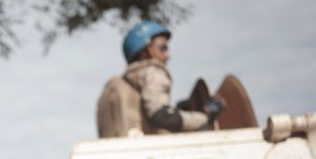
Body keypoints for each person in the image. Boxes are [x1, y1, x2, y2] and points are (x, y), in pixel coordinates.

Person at [96, 21, 224, 138]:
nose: (167, 55)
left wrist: (182, 108)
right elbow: (161, 117)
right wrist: (205, 117)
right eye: (162, 48)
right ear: (144, 53)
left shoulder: (119, 83)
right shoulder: (153, 71)